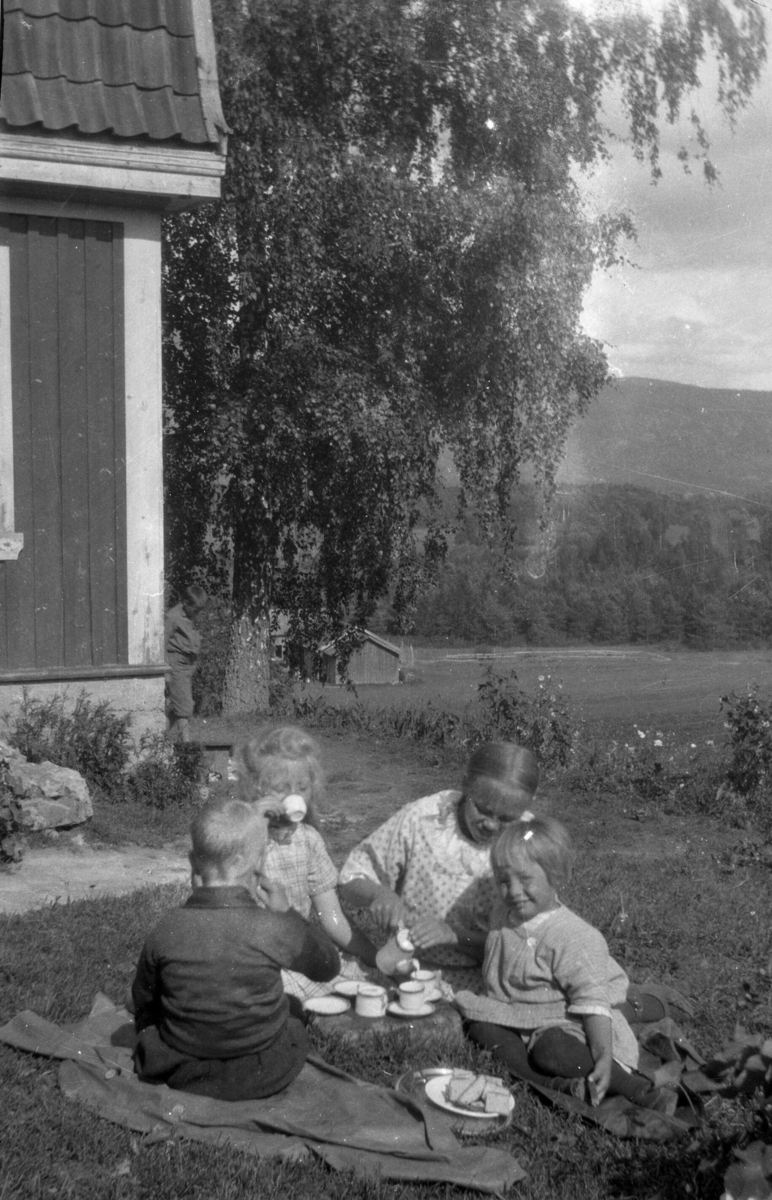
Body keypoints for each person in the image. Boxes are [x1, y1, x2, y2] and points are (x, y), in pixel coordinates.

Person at [455, 817, 678, 1113]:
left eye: (525, 880)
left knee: (553, 1051)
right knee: (480, 1026)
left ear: (555, 875)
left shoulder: (574, 936)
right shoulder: (504, 912)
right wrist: (454, 939)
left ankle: (635, 1087)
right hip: (518, 1012)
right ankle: (560, 1086)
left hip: (566, 1018)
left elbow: (592, 1004)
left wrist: (602, 1056)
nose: (514, 891)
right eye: (504, 881)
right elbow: (501, 948)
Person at [131, 795, 339, 1101]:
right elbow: (327, 967)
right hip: (262, 1069)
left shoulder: (167, 926)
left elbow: (144, 1000)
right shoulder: (272, 925)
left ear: (192, 861)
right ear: (257, 863)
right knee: (292, 1012)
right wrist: (289, 914)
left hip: (183, 1063)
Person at [338, 742, 540, 993]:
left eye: (506, 818)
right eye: (483, 809)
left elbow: (531, 939)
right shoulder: (423, 819)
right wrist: (379, 894)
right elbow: (349, 879)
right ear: (466, 784)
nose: (491, 825)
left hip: (488, 976)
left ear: (526, 806)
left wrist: (454, 936)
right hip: (405, 968)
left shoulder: (528, 840)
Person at [237, 725, 378, 999]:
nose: (294, 796)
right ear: (256, 790)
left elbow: (331, 916)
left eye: (302, 787)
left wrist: (375, 956)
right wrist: (252, 824)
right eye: (281, 789)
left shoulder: (308, 840)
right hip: (250, 957)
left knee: (359, 982)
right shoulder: (242, 837)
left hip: (294, 951)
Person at [164, 585, 208, 742]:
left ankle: (162, 739)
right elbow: (162, 644)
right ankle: (187, 745)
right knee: (185, 707)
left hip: (189, 665)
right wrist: (167, 673)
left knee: (179, 706)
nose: (198, 614)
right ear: (184, 602)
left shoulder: (191, 615)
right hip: (176, 664)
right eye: (195, 610)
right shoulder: (172, 617)